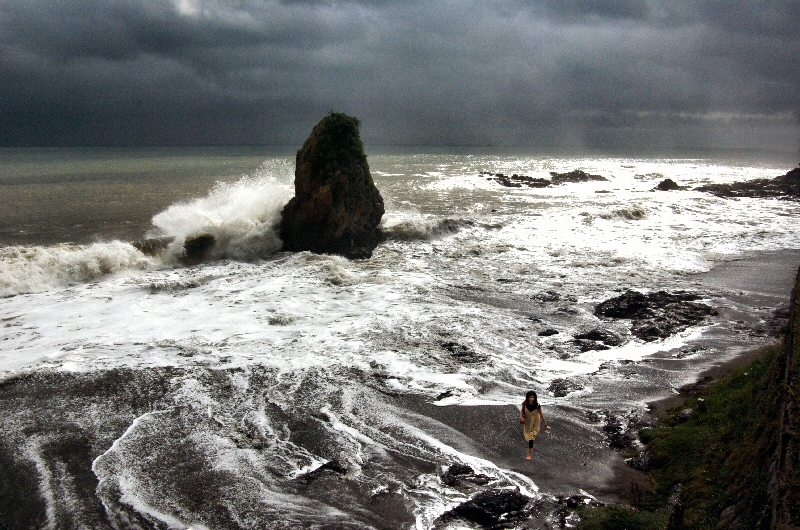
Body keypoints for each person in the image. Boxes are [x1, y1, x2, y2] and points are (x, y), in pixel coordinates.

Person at [520, 390, 551, 460]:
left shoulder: (537, 406)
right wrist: (521, 418)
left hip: (535, 424)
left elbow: (541, 415)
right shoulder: (524, 405)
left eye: (533, 397)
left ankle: (529, 454)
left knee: (531, 438)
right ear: (527, 397)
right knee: (529, 436)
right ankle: (529, 453)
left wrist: (546, 425)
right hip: (528, 424)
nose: (531, 399)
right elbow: (522, 413)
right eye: (530, 397)